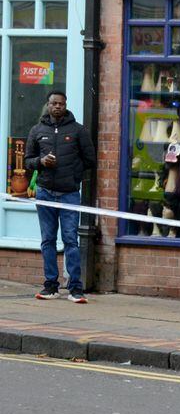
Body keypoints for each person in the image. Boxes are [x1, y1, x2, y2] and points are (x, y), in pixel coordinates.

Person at [25, 89, 96, 303]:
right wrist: (41, 162)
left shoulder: (78, 131)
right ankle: (50, 286)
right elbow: (28, 161)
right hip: (45, 192)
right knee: (47, 240)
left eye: (61, 104)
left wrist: (74, 176)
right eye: (54, 103)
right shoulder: (37, 131)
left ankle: (75, 288)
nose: (57, 106)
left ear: (66, 105)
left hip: (69, 194)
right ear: (48, 105)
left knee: (70, 240)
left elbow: (90, 160)